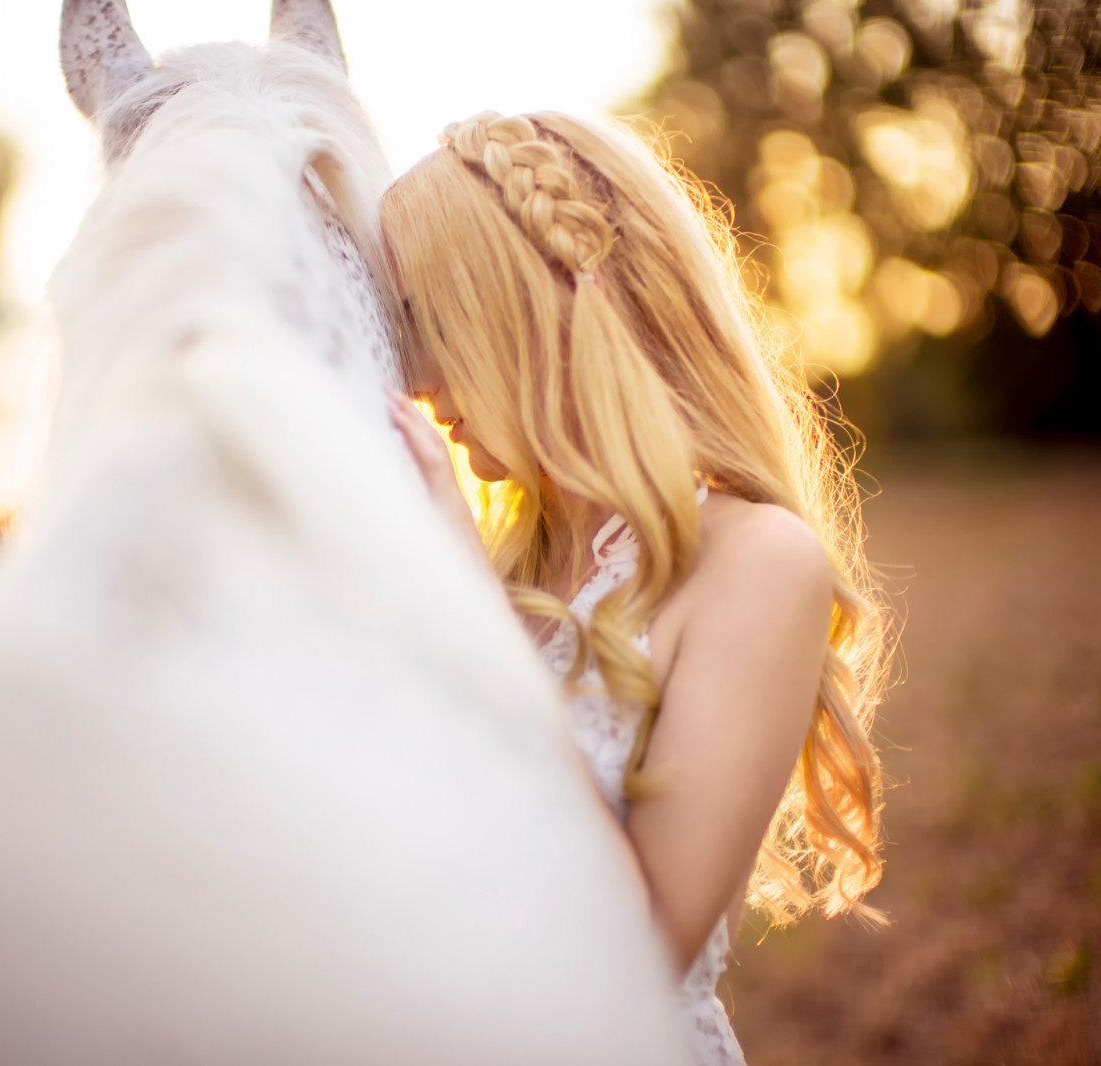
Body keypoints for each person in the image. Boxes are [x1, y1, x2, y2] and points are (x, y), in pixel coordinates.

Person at [381, 111, 892, 1065]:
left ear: (520, 313)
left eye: (427, 322)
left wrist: (465, 614)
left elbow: (639, 948)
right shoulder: (511, 575)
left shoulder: (758, 560)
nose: (418, 383)